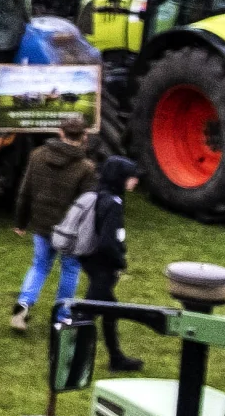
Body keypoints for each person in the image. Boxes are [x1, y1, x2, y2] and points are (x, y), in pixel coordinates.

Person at [60, 150, 145, 377]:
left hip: (90, 260)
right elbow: (108, 241)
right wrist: (120, 261)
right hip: (103, 266)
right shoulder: (113, 202)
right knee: (87, 315)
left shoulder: (98, 196)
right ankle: (70, 363)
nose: (136, 180)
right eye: (131, 176)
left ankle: (115, 357)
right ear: (120, 177)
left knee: (109, 310)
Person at [10, 120, 92, 330]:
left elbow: (25, 190)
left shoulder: (37, 155)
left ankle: (24, 303)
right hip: (70, 231)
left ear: (60, 132)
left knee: (39, 266)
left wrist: (20, 221)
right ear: (84, 136)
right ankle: (62, 315)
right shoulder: (86, 168)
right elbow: (86, 205)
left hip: (42, 224)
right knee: (70, 270)